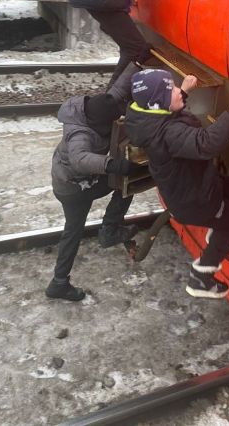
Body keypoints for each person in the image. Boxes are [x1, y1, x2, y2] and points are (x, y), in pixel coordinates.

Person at [124, 68, 229, 299]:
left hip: (192, 183)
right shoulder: (168, 133)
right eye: (172, 90)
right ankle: (201, 277)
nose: (177, 91)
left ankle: (218, 231)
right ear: (160, 102)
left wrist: (183, 92)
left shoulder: (146, 118)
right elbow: (206, 143)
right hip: (194, 199)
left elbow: (163, 111)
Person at [46, 63, 144, 302]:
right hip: (73, 188)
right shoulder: (81, 135)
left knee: (126, 184)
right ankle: (59, 283)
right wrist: (113, 165)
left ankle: (110, 229)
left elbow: (117, 91)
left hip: (83, 179)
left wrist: (136, 64)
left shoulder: (93, 108)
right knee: (74, 230)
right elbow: (80, 160)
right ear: (97, 124)